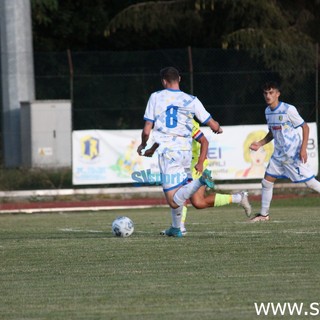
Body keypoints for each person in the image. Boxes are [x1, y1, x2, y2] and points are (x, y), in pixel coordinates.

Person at [137, 66, 222, 237]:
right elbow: (212, 124)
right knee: (181, 190)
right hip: (185, 152)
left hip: (168, 153)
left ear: (163, 81)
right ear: (179, 79)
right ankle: (176, 228)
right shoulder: (191, 99)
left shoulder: (156, 97)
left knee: (173, 200)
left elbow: (147, 130)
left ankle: (200, 182)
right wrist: (217, 128)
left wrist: (143, 144)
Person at [143, 120, 252, 235]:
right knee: (189, 198)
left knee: (190, 198)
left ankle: (179, 228)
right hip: (182, 164)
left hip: (194, 164)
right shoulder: (172, 121)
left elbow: (204, 141)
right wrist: (152, 149)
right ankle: (238, 198)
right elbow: (166, 138)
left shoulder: (187, 122)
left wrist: (200, 162)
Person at [249, 81, 320, 222]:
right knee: (267, 182)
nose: (268, 96)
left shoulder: (288, 109)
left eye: (271, 92)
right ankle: (264, 215)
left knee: (311, 183)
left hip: (292, 154)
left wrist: (303, 149)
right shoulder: (268, 111)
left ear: (278, 94)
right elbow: (272, 133)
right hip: (278, 155)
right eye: (265, 93)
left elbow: (305, 127)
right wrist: (260, 144)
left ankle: (264, 214)